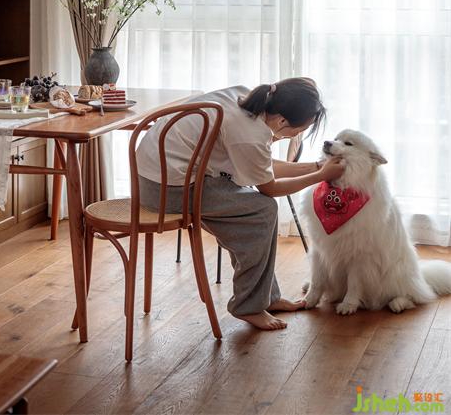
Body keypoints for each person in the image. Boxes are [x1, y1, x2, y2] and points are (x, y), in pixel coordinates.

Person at [136, 78, 345, 331]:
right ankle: (249, 305)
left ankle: (265, 296)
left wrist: (316, 167)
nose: (297, 135)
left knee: (257, 211)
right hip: (166, 190)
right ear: (282, 121)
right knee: (263, 210)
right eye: (300, 129)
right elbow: (269, 187)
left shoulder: (248, 99)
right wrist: (320, 176)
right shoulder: (250, 134)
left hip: (165, 175)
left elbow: (261, 166)